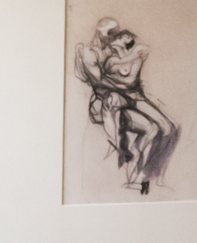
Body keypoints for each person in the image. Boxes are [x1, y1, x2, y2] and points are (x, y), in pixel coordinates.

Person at [74, 17, 180, 194]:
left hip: (129, 96)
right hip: (109, 100)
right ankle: (134, 171)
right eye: (111, 33)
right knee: (151, 128)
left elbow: (133, 66)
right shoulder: (89, 52)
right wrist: (124, 85)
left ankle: (144, 175)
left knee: (168, 128)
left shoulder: (114, 49)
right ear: (100, 33)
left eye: (117, 33)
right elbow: (99, 82)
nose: (115, 36)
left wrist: (129, 71)